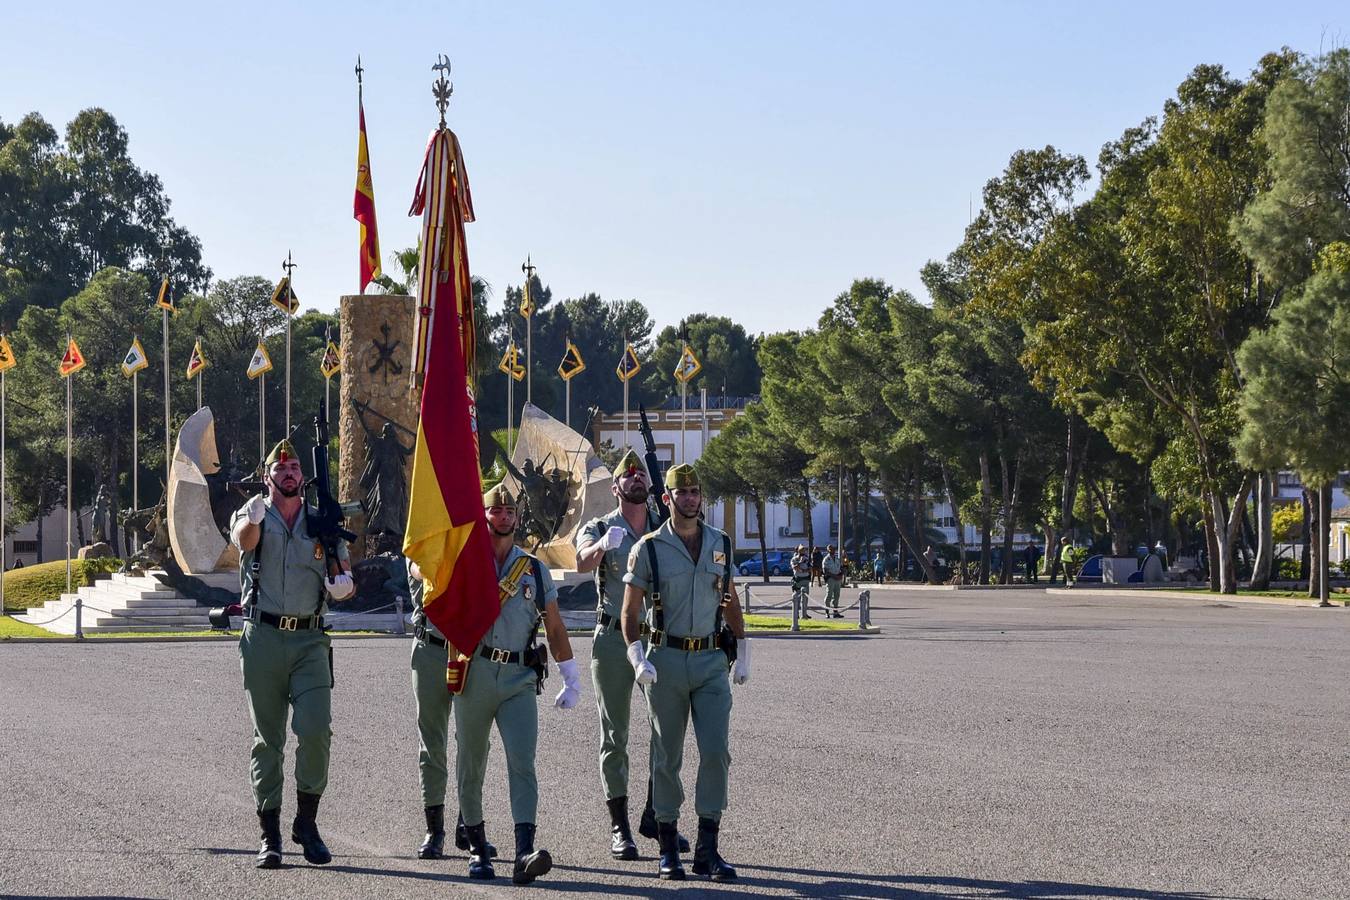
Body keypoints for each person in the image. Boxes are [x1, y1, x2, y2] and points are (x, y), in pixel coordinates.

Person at [229, 440, 355, 870]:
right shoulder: (252, 514)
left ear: (304, 477)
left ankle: (306, 821)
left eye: (295, 467)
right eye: (280, 467)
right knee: (269, 741)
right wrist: (255, 518)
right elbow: (245, 544)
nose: (288, 472)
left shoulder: (322, 521)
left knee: (317, 731)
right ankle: (270, 835)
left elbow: (344, 576)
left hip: (310, 641)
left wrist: (344, 586)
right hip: (262, 637)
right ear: (268, 477)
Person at [622, 463, 750, 882]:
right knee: (667, 756)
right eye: (684, 492)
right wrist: (637, 655)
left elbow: (728, 596)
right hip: (667, 661)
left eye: (696, 492)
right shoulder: (649, 548)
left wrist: (743, 645)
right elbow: (629, 610)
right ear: (668, 499)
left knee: (716, 752)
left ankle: (707, 849)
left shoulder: (720, 543)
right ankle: (667, 847)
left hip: (712, 661)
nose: (692, 498)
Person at [455, 484, 581, 885]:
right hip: (475, 672)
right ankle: (477, 848)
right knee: (470, 764)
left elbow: (554, 624)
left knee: (522, 764)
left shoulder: (532, 568)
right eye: (497, 511)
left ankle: (524, 851)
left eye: (510, 511)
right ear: (485, 516)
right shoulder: (467, 562)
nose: (505, 516)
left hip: (519, 678)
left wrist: (570, 673)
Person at [574, 450, 688, 859]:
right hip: (612, 640)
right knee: (615, 735)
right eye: (629, 477)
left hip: (656, 639)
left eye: (641, 477)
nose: (636, 481)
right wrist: (603, 546)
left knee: (665, 732)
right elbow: (581, 560)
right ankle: (620, 826)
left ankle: (656, 816)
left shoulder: (665, 529)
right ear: (616, 487)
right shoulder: (600, 525)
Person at [407, 559, 497, 861]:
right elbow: (419, 568)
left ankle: (467, 823)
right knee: (432, 742)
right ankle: (434, 830)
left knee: (474, 743)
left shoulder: (474, 540)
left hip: (470, 650)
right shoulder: (425, 532)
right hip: (430, 649)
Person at [790, 544, 812, 619]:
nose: (803, 552)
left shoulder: (807, 559)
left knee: (805, 599)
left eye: (804, 550)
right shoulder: (794, 559)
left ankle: (804, 614)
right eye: (802, 550)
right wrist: (800, 562)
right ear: (798, 551)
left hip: (805, 580)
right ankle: (796, 614)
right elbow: (795, 568)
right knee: (797, 599)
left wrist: (804, 570)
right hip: (798, 580)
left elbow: (810, 568)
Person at [821, 544, 844, 617]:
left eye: (833, 549)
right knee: (829, 595)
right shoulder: (826, 559)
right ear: (828, 550)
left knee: (837, 596)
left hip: (837, 579)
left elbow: (841, 568)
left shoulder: (837, 559)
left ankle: (835, 612)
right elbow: (825, 571)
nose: (832, 550)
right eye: (830, 549)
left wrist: (841, 575)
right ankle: (827, 612)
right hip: (830, 579)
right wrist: (834, 576)